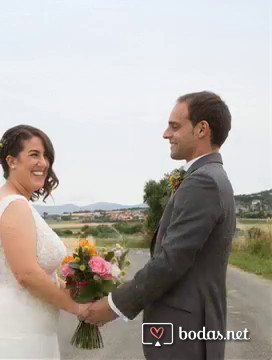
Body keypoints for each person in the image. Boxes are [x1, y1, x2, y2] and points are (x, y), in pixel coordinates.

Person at [84, 91, 236, 360]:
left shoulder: (204, 182)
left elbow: (171, 261)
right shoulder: (212, 177)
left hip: (184, 337)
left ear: (202, 129)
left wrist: (112, 306)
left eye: (175, 126)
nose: (166, 134)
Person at [0, 124, 89, 359]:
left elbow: (31, 272)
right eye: (34, 154)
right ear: (11, 161)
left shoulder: (11, 201)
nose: (43, 163)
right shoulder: (14, 206)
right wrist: (77, 308)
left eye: (46, 156)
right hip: (14, 334)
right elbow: (26, 274)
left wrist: (79, 290)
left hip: (25, 330)